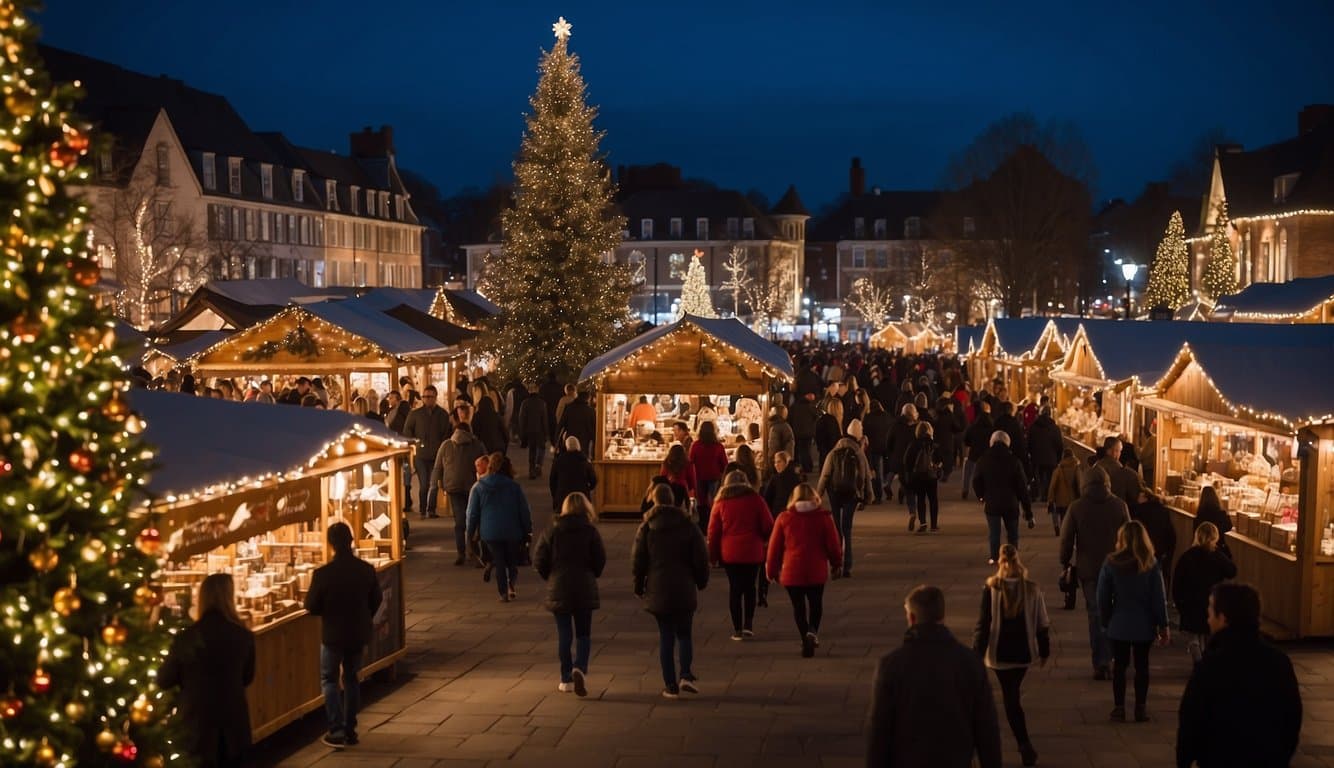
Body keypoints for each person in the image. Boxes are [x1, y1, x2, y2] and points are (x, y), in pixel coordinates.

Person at [866, 585, 1002, 768]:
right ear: (942, 617)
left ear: (911, 618)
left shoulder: (891, 665)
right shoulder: (969, 663)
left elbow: (879, 731)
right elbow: (987, 729)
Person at [1176, 582, 1302, 768]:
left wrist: (1185, 759)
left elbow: (1192, 719)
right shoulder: (1279, 662)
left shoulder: (1211, 666)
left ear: (1223, 618)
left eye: (1211, 610)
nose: (1208, 618)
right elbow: (1292, 715)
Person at [159, 573, 256, 767]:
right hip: (233, 721)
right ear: (229, 597)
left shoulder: (187, 637)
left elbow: (164, 679)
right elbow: (248, 677)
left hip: (196, 722)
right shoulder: (242, 635)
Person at [304, 522, 383, 748]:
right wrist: (365, 615)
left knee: (329, 679)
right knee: (351, 679)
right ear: (350, 540)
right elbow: (376, 599)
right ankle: (350, 728)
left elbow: (311, 605)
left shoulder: (323, 574)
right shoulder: (365, 569)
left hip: (332, 634)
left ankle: (335, 728)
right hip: (357, 632)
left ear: (330, 544)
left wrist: (326, 611)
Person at [971, 545, 1049, 768]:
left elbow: (983, 625)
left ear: (1000, 563)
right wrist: (1044, 651)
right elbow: (1042, 625)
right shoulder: (1032, 589)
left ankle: (1023, 744)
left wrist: (976, 654)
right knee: (1011, 696)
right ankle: (1024, 744)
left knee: (1010, 697)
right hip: (1023, 653)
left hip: (998, 653)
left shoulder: (992, 588)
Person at [632, 483, 710, 699]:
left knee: (666, 636)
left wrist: (638, 585)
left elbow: (638, 559)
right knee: (684, 633)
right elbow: (700, 556)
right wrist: (701, 580)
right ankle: (685, 674)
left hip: (658, 587)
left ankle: (670, 685)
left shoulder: (647, 527)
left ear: (654, 500)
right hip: (684, 586)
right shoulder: (688, 524)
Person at [1058, 465, 1130, 680]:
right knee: (1114, 612)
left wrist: (1065, 562)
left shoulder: (1077, 507)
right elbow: (1129, 535)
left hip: (1088, 568)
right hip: (1116, 567)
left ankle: (1100, 661)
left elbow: (1066, 538)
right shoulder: (1119, 506)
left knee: (1095, 613)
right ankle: (1114, 656)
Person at [534, 492, 607, 697]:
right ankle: (580, 667)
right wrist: (592, 573)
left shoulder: (553, 530)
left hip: (560, 586)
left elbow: (539, 558)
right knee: (584, 633)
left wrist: (550, 575)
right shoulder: (590, 531)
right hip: (584, 585)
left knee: (564, 634)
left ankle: (565, 677)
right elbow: (600, 559)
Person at [1096, 520, 1169, 722]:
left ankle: (1119, 707)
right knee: (1142, 666)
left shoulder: (1111, 562)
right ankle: (1140, 707)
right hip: (1144, 624)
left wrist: (1106, 619)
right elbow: (1158, 597)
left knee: (1119, 666)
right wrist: (1163, 624)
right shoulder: (1150, 563)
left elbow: (1102, 596)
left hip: (1119, 622)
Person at [766, 483, 841, 657]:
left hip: (792, 570)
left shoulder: (784, 518)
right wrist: (837, 564)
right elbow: (833, 545)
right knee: (816, 603)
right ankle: (812, 631)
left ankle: (804, 636)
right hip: (816, 569)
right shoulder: (824, 518)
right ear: (815, 498)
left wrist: (771, 571)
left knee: (798, 607)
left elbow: (774, 548)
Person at [708, 470, 774, 640]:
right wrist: (764, 539)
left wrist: (713, 556)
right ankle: (748, 624)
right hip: (753, 551)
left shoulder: (720, 502)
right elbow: (768, 525)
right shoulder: (756, 500)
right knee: (750, 587)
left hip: (730, 553)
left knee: (735, 589)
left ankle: (737, 628)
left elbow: (713, 532)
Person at [466, 452, 534, 602]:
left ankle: (502, 591)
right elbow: (524, 511)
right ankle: (511, 585)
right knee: (512, 560)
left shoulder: (478, 487)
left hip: (490, 531)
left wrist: (469, 534)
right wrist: (528, 530)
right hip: (512, 530)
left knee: (499, 559)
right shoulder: (514, 487)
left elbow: (472, 514)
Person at [1171, 522, 1237, 664]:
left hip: (1191, 602)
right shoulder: (1217, 556)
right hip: (1210, 602)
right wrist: (1223, 551)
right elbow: (1232, 571)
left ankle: (1196, 653)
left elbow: (1177, 583)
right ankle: (1206, 662)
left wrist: (1179, 603)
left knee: (1194, 634)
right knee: (1209, 635)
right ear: (1215, 537)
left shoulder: (1187, 556)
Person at [815, 418, 872, 577]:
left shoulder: (834, 452)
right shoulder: (858, 452)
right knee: (847, 529)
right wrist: (868, 496)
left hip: (835, 493)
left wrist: (817, 494)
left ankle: (836, 564)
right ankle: (847, 566)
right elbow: (865, 475)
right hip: (851, 494)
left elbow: (825, 475)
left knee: (836, 529)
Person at [972, 431, 1033, 565]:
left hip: (992, 502)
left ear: (992, 442)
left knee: (994, 533)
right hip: (1011, 503)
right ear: (1007, 443)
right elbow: (1022, 488)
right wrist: (1028, 511)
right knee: (1012, 534)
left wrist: (981, 496)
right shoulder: (1014, 461)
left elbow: (976, 480)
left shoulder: (983, 460)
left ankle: (994, 557)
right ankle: (1012, 558)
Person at [432, 422, 487, 566]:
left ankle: (460, 553)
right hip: (472, 487)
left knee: (459, 521)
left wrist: (436, 485)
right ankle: (474, 553)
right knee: (474, 520)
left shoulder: (446, 445)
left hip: (453, 487)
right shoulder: (477, 445)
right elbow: (486, 465)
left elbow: (438, 467)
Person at [402, 385, 451, 519]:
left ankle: (431, 510)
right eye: (424, 397)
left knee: (433, 484)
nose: (426, 399)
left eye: (429, 397)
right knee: (424, 483)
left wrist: (441, 447)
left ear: (435, 398)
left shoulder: (442, 415)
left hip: (436, 455)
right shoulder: (416, 414)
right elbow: (407, 429)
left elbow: (446, 433)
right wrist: (414, 442)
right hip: (421, 456)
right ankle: (423, 509)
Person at [902, 421, 945, 533]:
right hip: (931, 476)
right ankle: (934, 525)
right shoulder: (934, 444)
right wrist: (938, 469)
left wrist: (909, 473)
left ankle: (923, 523)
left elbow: (907, 460)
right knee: (933, 500)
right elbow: (940, 459)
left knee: (921, 499)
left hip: (918, 476)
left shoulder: (914, 444)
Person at [1131, 486, 1177, 587]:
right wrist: (1168, 553)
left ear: (1144, 497)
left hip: (1142, 551)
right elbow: (1171, 534)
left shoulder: (1139, 511)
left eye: (1139, 497)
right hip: (1159, 551)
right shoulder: (1163, 511)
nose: (1137, 500)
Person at [689, 420, 728, 532]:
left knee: (701, 501)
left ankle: (703, 523)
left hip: (699, 476)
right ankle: (713, 523)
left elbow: (691, 461)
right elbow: (724, 463)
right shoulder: (718, 446)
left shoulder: (695, 445)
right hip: (714, 476)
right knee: (714, 501)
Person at [550, 435, 597, 513]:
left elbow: (552, 480)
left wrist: (555, 496)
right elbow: (593, 480)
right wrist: (588, 488)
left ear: (566, 446)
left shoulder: (559, 461)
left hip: (563, 497)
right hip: (582, 497)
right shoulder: (584, 461)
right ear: (578, 446)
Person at [885, 403, 919, 511]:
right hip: (912, 459)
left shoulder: (896, 424)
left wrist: (890, 452)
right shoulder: (916, 426)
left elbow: (889, 440)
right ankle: (907, 500)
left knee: (902, 476)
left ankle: (895, 487)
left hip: (898, 457)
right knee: (908, 480)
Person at [1027, 407, 1063, 502]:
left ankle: (1038, 494)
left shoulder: (1033, 427)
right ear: (1050, 414)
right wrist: (1058, 458)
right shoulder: (1055, 428)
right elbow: (1059, 445)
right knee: (1050, 478)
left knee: (1038, 477)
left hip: (1037, 458)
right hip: (1051, 458)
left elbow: (1029, 442)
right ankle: (1047, 496)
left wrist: (1031, 454)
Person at [517, 381, 550, 479]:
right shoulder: (542, 403)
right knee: (541, 448)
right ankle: (538, 465)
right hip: (540, 430)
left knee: (532, 450)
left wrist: (522, 432)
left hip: (529, 430)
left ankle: (531, 470)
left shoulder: (525, 403)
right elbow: (544, 419)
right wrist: (546, 432)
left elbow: (522, 419)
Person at [1094, 437, 1141, 506]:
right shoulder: (1121, 470)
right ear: (1111, 451)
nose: (1120, 454)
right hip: (1116, 506)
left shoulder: (1096, 466)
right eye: (1119, 451)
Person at [962, 401, 994, 500]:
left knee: (967, 470)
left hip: (974, 455)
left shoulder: (973, 427)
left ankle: (965, 489)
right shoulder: (992, 427)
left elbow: (967, 441)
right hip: (987, 456)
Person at [861, 399, 892, 504]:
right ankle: (887, 486)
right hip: (886, 447)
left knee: (877, 473)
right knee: (888, 470)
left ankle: (878, 496)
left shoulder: (868, 418)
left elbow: (864, 433)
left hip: (874, 448)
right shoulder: (887, 417)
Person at [1046, 447, 1080, 536]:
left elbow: (1052, 486)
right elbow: (1080, 483)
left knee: (1061, 515)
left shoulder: (1058, 470)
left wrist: (1050, 499)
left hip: (1060, 499)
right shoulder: (1077, 468)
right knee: (1071, 518)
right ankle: (1069, 531)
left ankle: (1059, 527)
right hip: (1073, 499)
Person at [1193, 485, 1233, 558]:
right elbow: (1229, 527)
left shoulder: (1199, 515)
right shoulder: (1221, 514)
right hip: (1218, 548)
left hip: (1201, 551)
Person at [558, 389, 596, 458]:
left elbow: (561, 424)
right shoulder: (590, 411)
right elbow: (594, 426)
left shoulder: (569, 407)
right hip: (584, 440)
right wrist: (594, 440)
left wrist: (557, 440)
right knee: (582, 458)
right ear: (587, 399)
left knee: (569, 457)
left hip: (570, 438)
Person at [764, 405, 796, 479]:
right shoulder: (783, 426)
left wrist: (771, 460)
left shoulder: (775, 427)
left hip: (780, 460)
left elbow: (773, 446)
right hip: (783, 459)